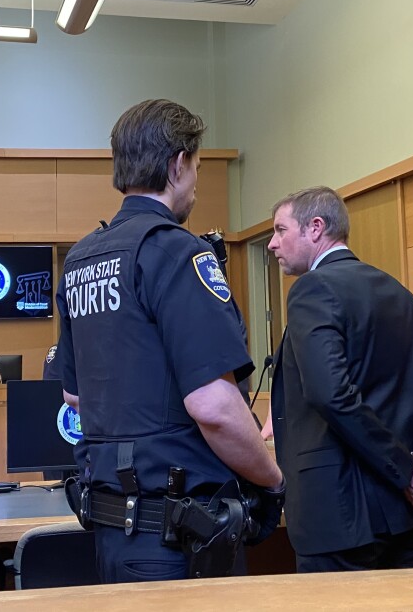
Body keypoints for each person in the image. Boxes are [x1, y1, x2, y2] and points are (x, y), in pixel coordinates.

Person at [51, 99, 284, 584]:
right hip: (180, 543)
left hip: (112, 531)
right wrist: (272, 478)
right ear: (178, 164)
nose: (196, 180)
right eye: (197, 166)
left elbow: (74, 393)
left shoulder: (80, 259)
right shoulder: (178, 253)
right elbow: (214, 406)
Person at [267, 186, 413, 572]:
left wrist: (409, 472)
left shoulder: (312, 288)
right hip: (406, 512)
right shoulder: (403, 295)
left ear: (316, 228)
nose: (272, 244)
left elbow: (331, 394)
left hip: (340, 511)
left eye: (280, 230)